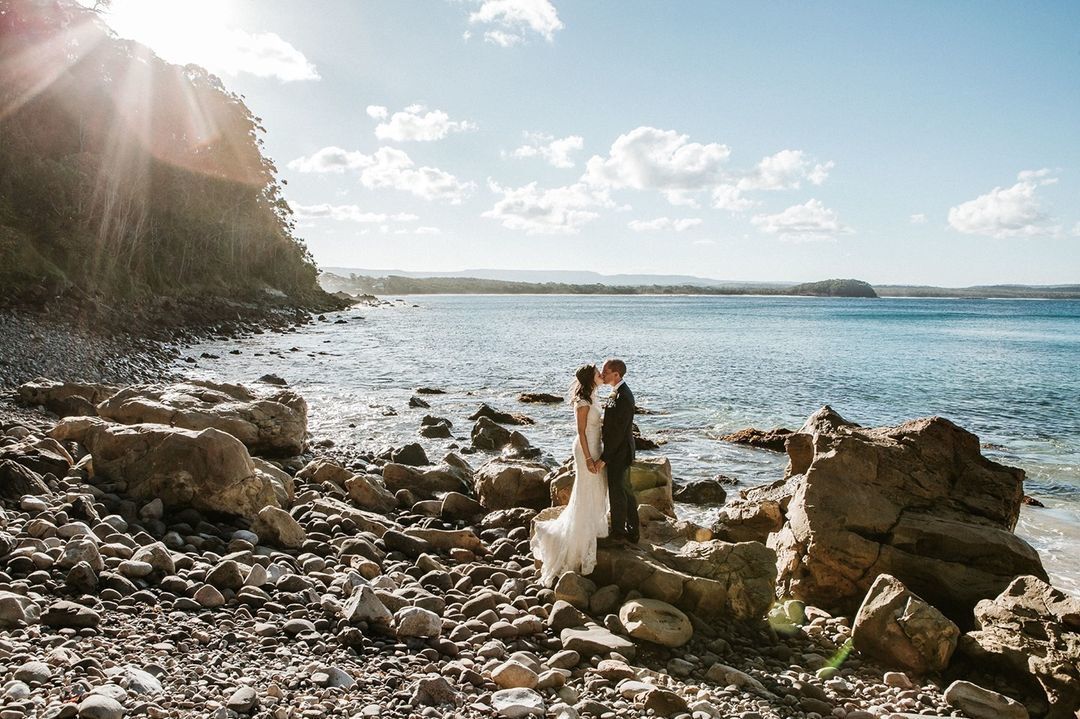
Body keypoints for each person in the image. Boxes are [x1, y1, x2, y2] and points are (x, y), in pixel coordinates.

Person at [530, 364, 610, 586]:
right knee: (586, 489)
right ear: (590, 378)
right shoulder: (582, 402)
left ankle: (592, 525)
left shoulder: (593, 395)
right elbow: (581, 432)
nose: (601, 375)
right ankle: (577, 537)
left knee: (597, 487)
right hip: (586, 448)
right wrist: (587, 458)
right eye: (597, 373)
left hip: (596, 446)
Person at [599, 358, 640, 544]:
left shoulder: (623, 396)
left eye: (605, 372)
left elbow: (617, 431)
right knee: (625, 491)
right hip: (620, 449)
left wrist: (605, 457)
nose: (602, 375)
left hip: (619, 452)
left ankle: (619, 533)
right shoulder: (617, 392)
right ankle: (633, 530)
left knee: (618, 492)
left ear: (616, 374)